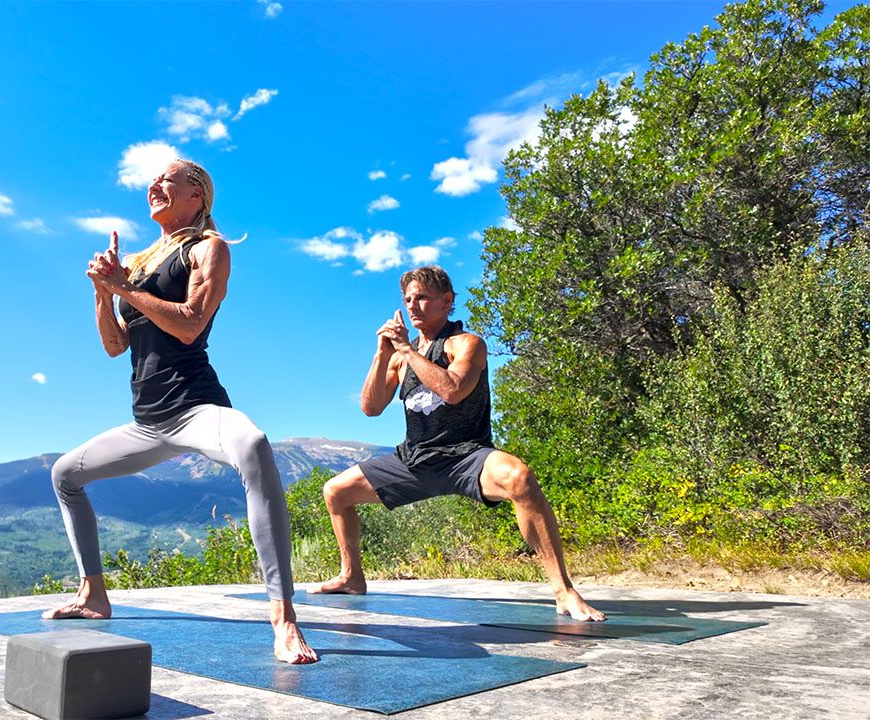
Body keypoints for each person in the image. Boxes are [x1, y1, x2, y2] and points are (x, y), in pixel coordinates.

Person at [42, 159, 319, 664]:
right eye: (153, 180)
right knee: (65, 475)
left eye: (167, 179)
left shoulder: (208, 249)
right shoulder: (144, 261)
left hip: (198, 408)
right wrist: (103, 292)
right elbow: (113, 345)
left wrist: (125, 288)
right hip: (148, 421)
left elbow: (191, 325)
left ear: (198, 196)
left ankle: (283, 617)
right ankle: (93, 596)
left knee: (254, 447)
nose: (154, 185)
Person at [314, 265, 605, 622]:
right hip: (415, 461)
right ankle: (351, 576)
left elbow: (453, 391)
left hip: (468, 456)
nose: (413, 306)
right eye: (407, 299)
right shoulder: (401, 357)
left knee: (519, 478)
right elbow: (371, 408)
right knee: (336, 492)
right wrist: (382, 353)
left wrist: (407, 350)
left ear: (447, 301)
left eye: (422, 297)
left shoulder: (467, 344)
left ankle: (564, 591)